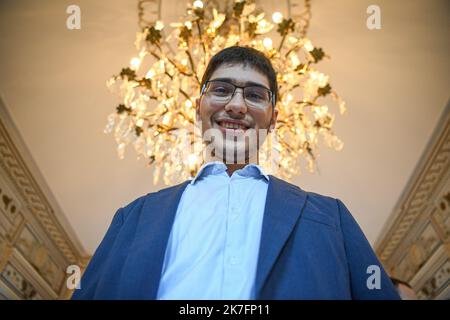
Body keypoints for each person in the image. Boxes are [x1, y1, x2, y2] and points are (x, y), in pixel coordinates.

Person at [72, 46, 400, 300]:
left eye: (255, 95)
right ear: (198, 106)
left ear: (273, 118)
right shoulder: (132, 217)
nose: (237, 105)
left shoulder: (331, 216)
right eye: (221, 90)